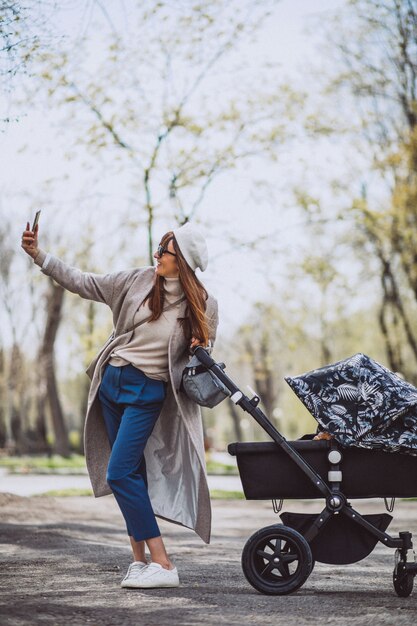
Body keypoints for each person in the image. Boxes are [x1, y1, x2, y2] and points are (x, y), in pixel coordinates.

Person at [21, 220, 219, 589]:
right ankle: (139, 562)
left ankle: (163, 564)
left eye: (165, 252)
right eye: (158, 249)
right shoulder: (137, 281)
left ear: (184, 263)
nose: (157, 256)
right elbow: (84, 282)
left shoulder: (203, 306)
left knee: (119, 473)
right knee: (133, 476)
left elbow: (204, 358)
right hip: (110, 383)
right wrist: (39, 256)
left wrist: (197, 350)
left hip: (147, 393)